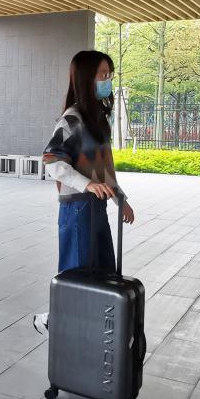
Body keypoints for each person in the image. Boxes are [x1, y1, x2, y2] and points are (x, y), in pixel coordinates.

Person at [33, 49, 135, 333]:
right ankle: (54, 321)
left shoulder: (98, 120)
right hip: (77, 208)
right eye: (102, 74)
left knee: (102, 271)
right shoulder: (73, 119)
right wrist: (87, 184)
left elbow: (104, 170)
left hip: (96, 207)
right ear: (86, 78)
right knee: (77, 272)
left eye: (109, 74)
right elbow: (52, 160)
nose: (107, 80)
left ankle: (89, 331)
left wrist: (121, 199)